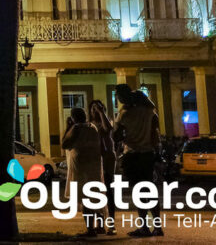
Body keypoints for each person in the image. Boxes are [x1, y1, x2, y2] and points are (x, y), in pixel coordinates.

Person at [113, 84, 163, 238]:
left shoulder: (124, 114)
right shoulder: (149, 111)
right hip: (148, 154)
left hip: (132, 154)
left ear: (122, 97)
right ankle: (158, 226)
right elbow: (155, 130)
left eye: (118, 96)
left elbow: (116, 136)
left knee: (138, 192)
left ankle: (144, 226)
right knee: (150, 189)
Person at [61, 107, 104, 237]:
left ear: (74, 117)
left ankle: (90, 229)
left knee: (84, 198)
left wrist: (69, 126)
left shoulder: (76, 128)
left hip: (81, 166)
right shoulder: (93, 127)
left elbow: (64, 144)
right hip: (95, 165)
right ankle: (100, 226)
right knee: (95, 196)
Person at [89, 99, 118, 235]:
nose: (94, 111)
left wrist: (101, 112)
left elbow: (108, 129)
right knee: (96, 192)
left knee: (108, 190)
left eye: (98, 108)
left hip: (106, 159)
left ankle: (111, 224)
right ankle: (100, 223)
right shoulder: (89, 125)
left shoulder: (106, 121)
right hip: (94, 160)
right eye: (93, 108)